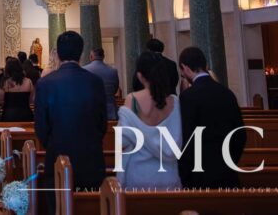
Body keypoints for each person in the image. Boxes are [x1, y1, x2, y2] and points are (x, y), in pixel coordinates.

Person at [34, 31, 107, 212]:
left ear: (58, 53)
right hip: (91, 159)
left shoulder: (45, 83)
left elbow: (41, 127)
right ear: (81, 53)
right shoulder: (96, 81)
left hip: (58, 156)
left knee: (57, 207)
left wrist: (53, 144)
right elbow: (102, 123)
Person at [178, 46, 246, 188]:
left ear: (185, 67)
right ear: (205, 65)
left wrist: (185, 173)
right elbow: (240, 134)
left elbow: (187, 139)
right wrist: (229, 161)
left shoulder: (188, 97)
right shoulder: (227, 93)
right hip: (227, 173)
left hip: (199, 175)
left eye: (182, 72)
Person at [116, 51, 182, 190]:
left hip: (138, 173)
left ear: (140, 76)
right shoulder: (174, 102)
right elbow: (178, 140)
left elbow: (122, 141)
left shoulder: (132, 99)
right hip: (167, 175)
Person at [84, 47, 121, 120]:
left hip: (91, 112)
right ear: (103, 56)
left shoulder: (84, 70)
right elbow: (115, 90)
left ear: (91, 57)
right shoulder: (113, 71)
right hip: (110, 112)